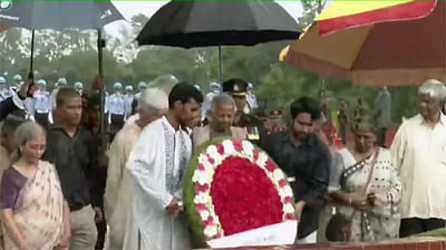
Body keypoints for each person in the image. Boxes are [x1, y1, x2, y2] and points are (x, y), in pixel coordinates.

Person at [125, 82, 202, 250]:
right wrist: (166, 200)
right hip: (151, 218)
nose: (196, 116)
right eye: (193, 110)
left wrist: (179, 200)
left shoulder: (185, 138)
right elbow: (137, 167)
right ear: (178, 105)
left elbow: (185, 177)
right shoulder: (153, 131)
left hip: (176, 220)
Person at [104, 88, 168, 250]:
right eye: (157, 115)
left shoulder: (166, 136)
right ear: (141, 112)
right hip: (128, 217)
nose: (162, 119)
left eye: (164, 115)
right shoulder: (125, 138)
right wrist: (115, 222)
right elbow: (113, 183)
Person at [262, 96, 330, 244]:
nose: (305, 129)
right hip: (273, 220)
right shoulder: (272, 143)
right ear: (292, 120)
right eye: (301, 124)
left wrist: (302, 204)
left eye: (309, 125)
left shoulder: (320, 151)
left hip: (306, 223)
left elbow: (320, 187)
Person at [43, 87, 102, 250]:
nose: (77, 112)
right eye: (71, 108)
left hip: (83, 209)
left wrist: (96, 204)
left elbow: (92, 172)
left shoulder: (86, 137)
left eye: (79, 107)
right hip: (55, 211)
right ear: (58, 110)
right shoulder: (48, 138)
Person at [328, 115, 401, 241]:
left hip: (382, 224)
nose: (361, 141)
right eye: (358, 136)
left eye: (367, 137)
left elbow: (398, 188)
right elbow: (331, 188)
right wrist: (349, 199)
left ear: (375, 138)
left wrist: (380, 198)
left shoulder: (387, 156)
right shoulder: (342, 157)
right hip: (350, 223)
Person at [1, 122, 70, 250]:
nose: (39, 152)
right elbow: (6, 214)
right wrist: (23, 245)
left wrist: (67, 232)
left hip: (54, 244)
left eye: (42, 147)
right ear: (21, 146)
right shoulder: (11, 175)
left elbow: (62, 202)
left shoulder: (48, 169)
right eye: (34, 147)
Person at [391, 79, 446, 237]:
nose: (423, 105)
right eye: (420, 101)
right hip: (410, 209)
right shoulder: (407, 128)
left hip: (441, 209)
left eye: (428, 102)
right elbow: (392, 165)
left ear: (441, 103)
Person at [222, 78, 266, 146]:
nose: (238, 101)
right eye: (234, 97)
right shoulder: (215, 124)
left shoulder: (255, 124)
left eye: (242, 97)